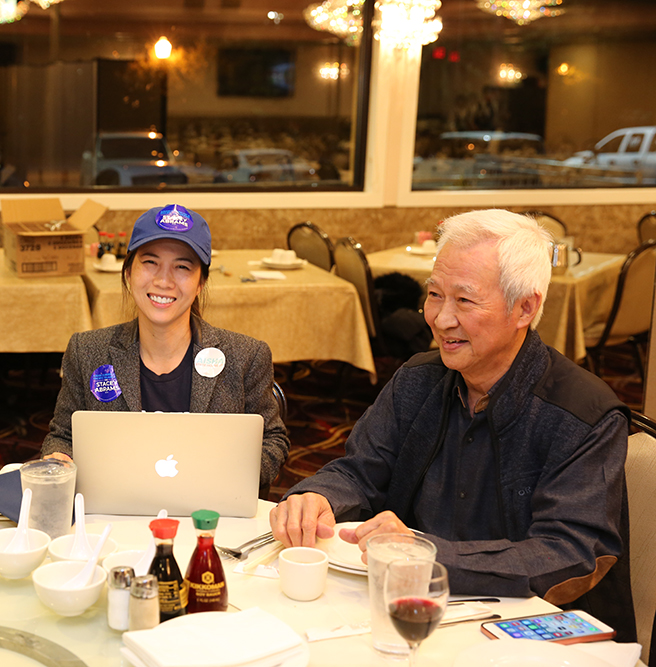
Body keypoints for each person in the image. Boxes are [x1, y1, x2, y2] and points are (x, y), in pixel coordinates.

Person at [270, 209, 634, 639]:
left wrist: (428, 556)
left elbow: (571, 553)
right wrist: (317, 495)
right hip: (409, 607)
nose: (441, 319)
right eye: (434, 294)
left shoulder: (582, 415)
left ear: (525, 307)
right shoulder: (418, 379)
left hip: (531, 632)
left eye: (464, 300)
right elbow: (359, 471)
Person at [41, 204, 289, 486]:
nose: (163, 280)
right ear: (128, 273)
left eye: (182, 267)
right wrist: (59, 458)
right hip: (117, 504)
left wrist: (226, 478)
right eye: (150, 262)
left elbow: (272, 440)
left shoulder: (245, 357)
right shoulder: (86, 351)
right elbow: (63, 436)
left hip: (209, 506)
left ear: (200, 282)